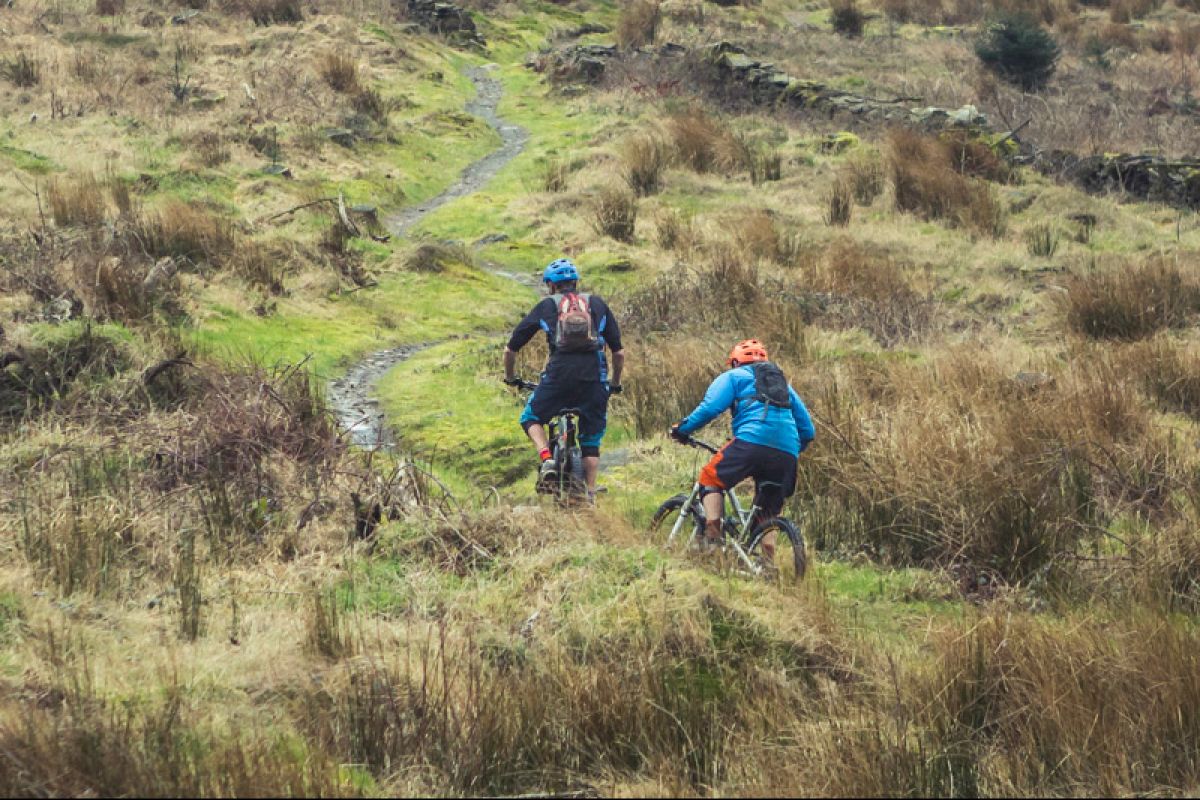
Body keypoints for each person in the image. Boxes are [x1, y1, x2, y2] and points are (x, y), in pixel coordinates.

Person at [670, 339, 814, 563]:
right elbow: (808, 430)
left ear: (736, 362)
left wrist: (683, 429)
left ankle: (713, 543)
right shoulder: (784, 385)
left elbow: (710, 408)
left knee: (710, 478)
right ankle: (766, 564)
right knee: (768, 513)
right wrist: (789, 451)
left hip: (750, 442)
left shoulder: (734, 376)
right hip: (787, 453)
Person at [503, 258, 624, 496]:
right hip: (594, 379)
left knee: (531, 417)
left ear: (550, 285)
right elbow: (618, 353)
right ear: (576, 282)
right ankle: (589, 494)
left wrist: (511, 378)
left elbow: (510, 350)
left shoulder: (547, 305)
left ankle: (547, 458)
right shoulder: (597, 304)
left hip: (558, 376)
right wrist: (614, 384)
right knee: (591, 440)